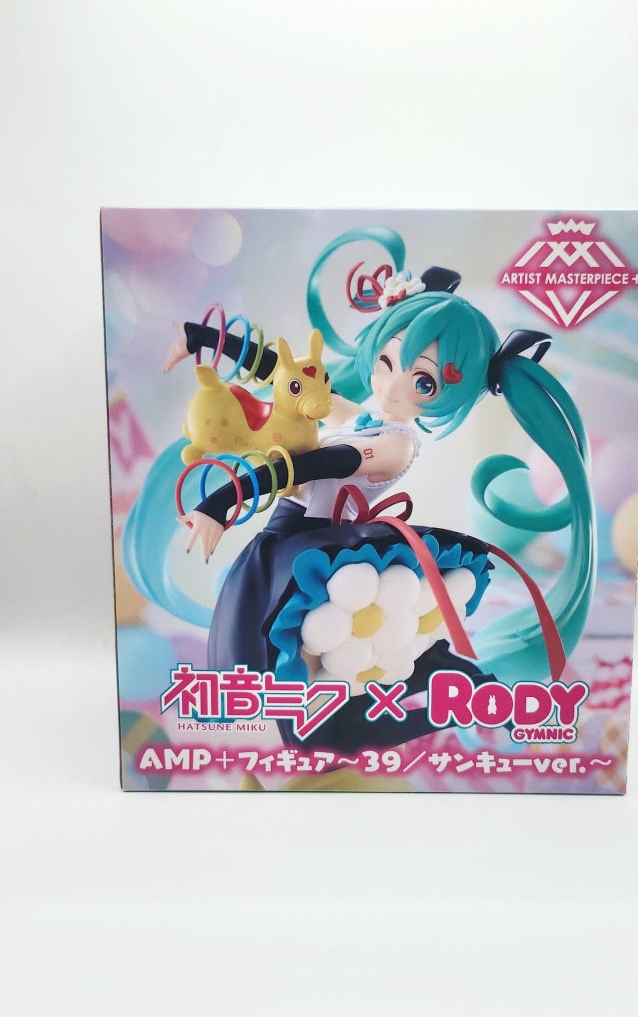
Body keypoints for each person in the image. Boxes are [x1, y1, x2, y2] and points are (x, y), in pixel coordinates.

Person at [124, 226, 595, 749]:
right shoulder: (363, 416)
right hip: (289, 542)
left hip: (315, 550)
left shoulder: (397, 443)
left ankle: (459, 695)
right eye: (388, 362)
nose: (392, 387)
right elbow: (289, 379)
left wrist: (223, 500)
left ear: (448, 395)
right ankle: (455, 686)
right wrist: (208, 340)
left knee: (297, 695)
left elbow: (313, 463)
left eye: (423, 382)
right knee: (283, 690)